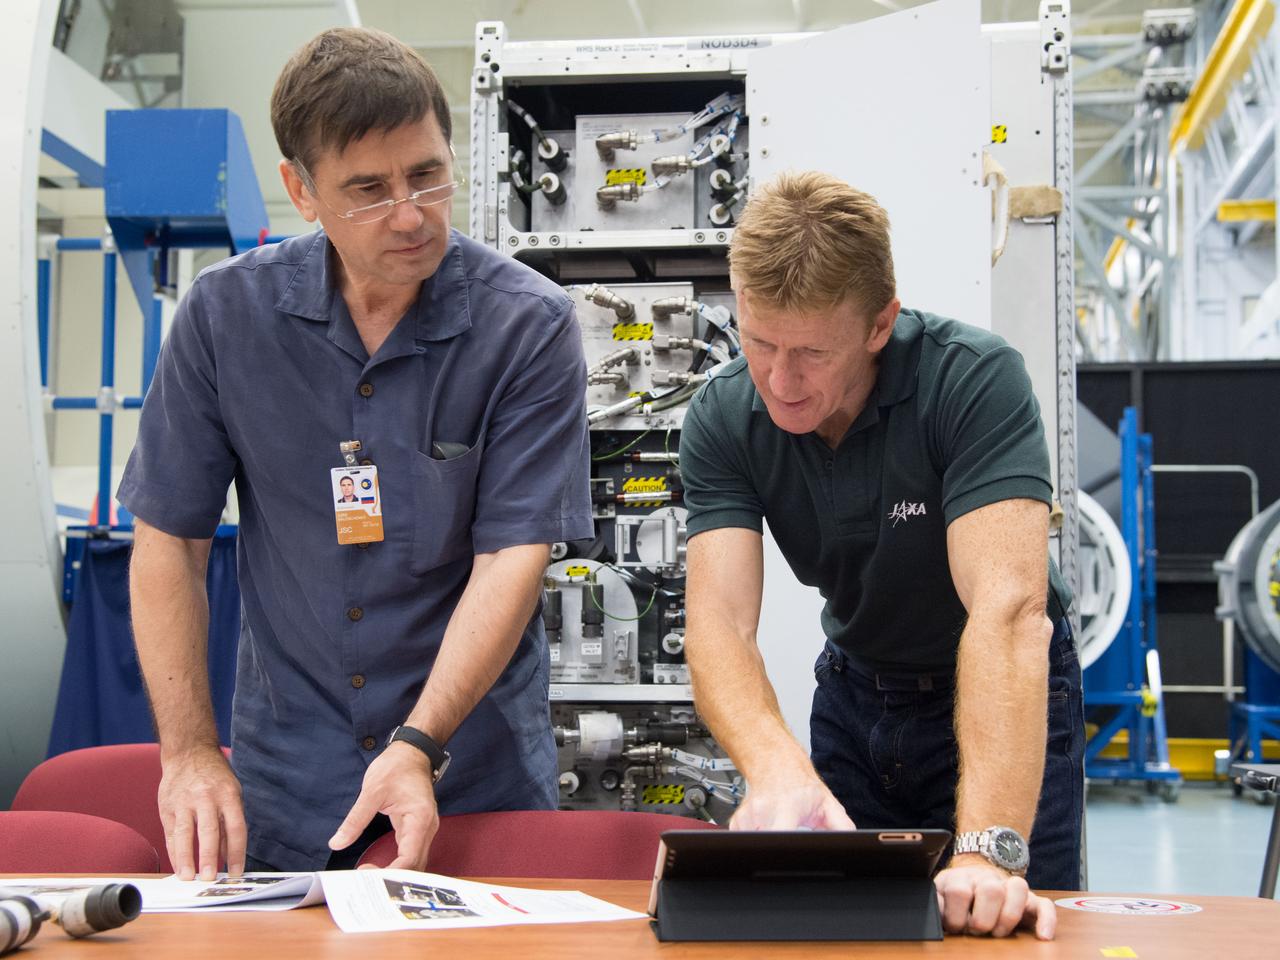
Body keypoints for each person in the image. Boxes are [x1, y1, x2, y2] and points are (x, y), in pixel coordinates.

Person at [119, 27, 592, 879]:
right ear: (301, 191)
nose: (410, 214)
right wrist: (187, 752)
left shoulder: (528, 325)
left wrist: (419, 743)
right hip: (291, 782)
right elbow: (169, 543)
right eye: (369, 190)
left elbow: (511, 562)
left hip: (472, 776)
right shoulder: (225, 321)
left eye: (427, 175)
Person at [680, 171, 1082, 940]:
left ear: (879, 325)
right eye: (758, 340)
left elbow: (1008, 612)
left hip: (998, 688)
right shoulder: (726, 415)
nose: (779, 379)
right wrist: (778, 769)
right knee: (840, 933)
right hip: (856, 696)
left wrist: (987, 849)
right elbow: (719, 628)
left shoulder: (971, 381)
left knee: (1006, 926)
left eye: (811, 353)